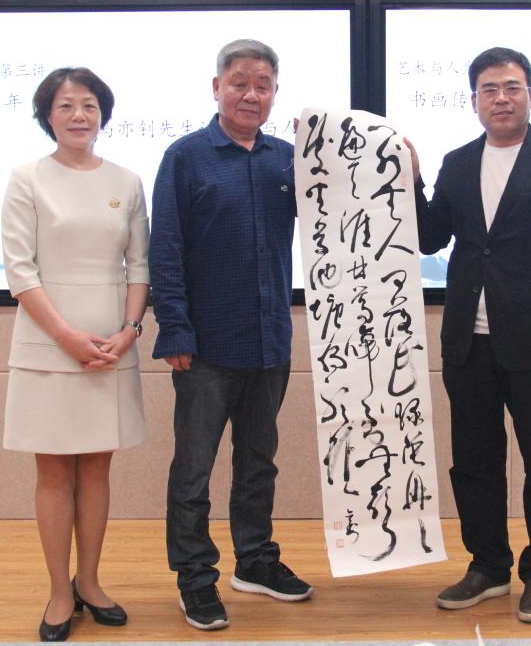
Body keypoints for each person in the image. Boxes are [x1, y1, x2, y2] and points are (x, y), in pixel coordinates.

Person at [408, 46, 531, 624]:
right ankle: (488, 566)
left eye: (512, 87)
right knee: (474, 463)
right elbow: (431, 238)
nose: (501, 98)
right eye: (489, 89)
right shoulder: (459, 162)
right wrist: (412, 180)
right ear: (474, 101)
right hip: (469, 343)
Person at [149, 38, 312, 631]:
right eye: (240, 82)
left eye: (263, 85)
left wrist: (338, 154)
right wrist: (175, 329)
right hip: (206, 348)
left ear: (275, 94)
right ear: (216, 87)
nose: (251, 94)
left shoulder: (287, 160)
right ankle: (195, 578)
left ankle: (256, 561)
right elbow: (164, 249)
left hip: (270, 342)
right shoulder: (186, 157)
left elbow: (343, 215)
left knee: (259, 462)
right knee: (193, 471)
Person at [1, 67, 150, 642]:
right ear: (48, 115)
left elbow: (139, 265)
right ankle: (59, 591)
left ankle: (89, 581)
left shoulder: (127, 181)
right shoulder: (27, 178)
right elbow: (20, 270)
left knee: (97, 467)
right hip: (48, 343)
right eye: (66, 105)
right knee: (54, 469)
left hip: (111, 345)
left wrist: (129, 330)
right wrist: (65, 335)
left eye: (88, 104)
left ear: (102, 113)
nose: (79, 115)